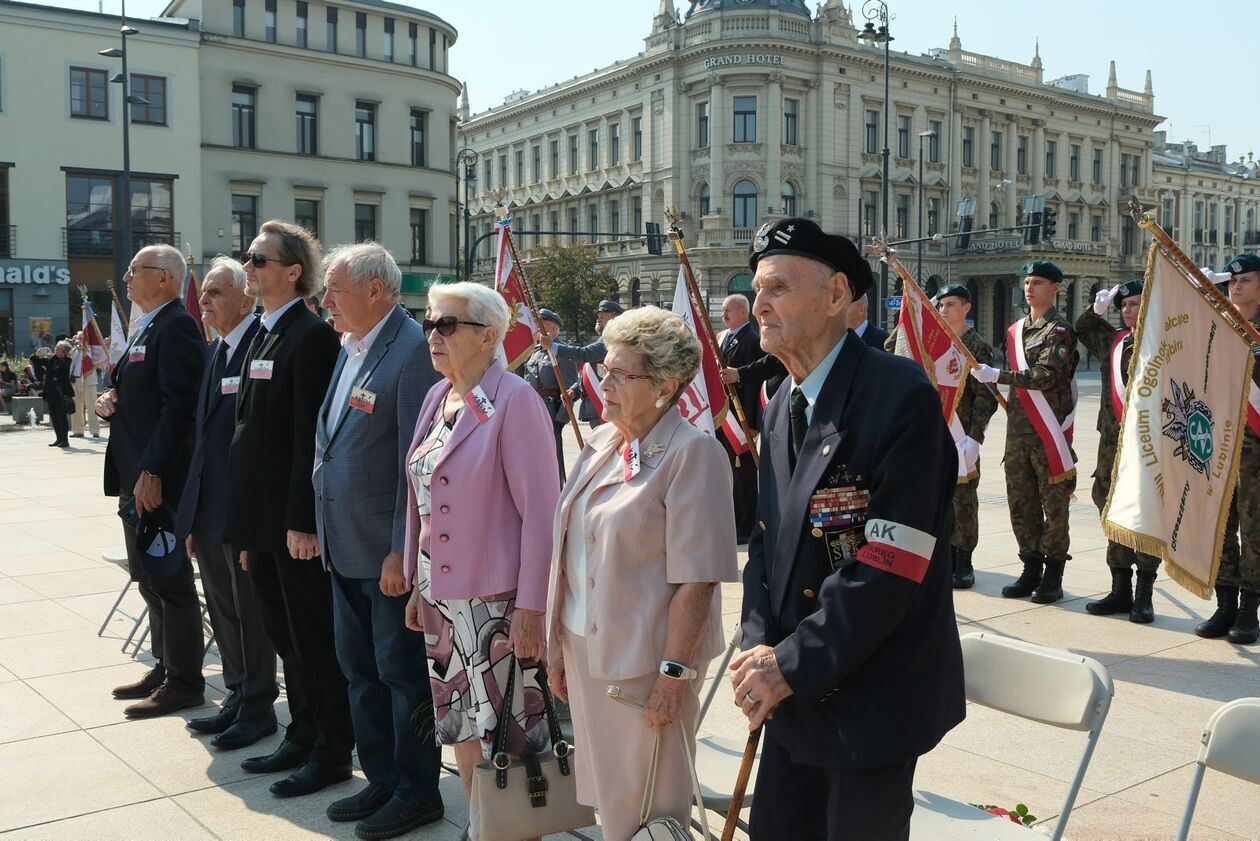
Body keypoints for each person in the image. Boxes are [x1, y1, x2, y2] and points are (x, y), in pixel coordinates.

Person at [732, 218, 964, 841]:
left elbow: (891, 563)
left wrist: (790, 663)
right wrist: (760, 647)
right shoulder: (781, 397)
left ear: (836, 295)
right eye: (757, 290)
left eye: (777, 287)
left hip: (870, 699)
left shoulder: (898, 394)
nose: (759, 306)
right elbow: (767, 543)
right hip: (792, 686)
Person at [545, 306, 738, 838]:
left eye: (618, 374)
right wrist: (559, 645)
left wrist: (674, 675)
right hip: (588, 652)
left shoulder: (693, 454)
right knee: (612, 801)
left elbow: (698, 580)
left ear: (664, 385)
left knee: (652, 806)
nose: (600, 383)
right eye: (605, 369)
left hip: (645, 667)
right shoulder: (605, 445)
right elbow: (571, 552)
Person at [401, 282, 560, 830]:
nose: (432, 335)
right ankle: (481, 826)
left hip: (497, 607)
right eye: (429, 323)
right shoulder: (436, 396)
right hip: (444, 602)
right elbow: (418, 500)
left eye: (446, 325)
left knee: (507, 739)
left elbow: (544, 514)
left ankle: (510, 830)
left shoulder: (516, 400)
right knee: (461, 730)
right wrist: (415, 583)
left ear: (487, 336)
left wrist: (533, 607)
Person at [314, 243, 446, 838]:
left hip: (385, 553)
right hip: (343, 545)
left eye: (334, 289)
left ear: (374, 290)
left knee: (400, 675)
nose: (326, 301)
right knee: (359, 671)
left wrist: (402, 547)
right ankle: (383, 779)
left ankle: (419, 791)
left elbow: (412, 463)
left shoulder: (412, 350)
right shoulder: (350, 346)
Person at [226, 220, 350, 797]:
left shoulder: (310, 335)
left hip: (294, 525)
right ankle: (301, 734)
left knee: (311, 639)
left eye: (259, 259)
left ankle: (330, 749)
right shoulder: (261, 331)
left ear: (293, 271)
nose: (248, 268)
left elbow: (311, 439)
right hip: (264, 521)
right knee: (283, 634)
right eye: (248, 259)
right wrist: (250, 528)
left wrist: (302, 519)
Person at [96, 244, 207, 717]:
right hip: (134, 476)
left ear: (163, 278)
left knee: (170, 579)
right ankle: (165, 665)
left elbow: (179, 407)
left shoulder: (177, 325)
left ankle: (185, 681)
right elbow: (143, 393)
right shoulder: (150, 325)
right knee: (147, 577)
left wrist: (154, 470)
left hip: (156, 480)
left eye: (134, 270)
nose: (126, 278)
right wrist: (111, 397)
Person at [176, 256, 278, 751]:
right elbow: (203, 440)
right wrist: (192, 513)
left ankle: (258, 705)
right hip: (209, 508)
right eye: (206, 293)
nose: (206, 301)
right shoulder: (216, 350)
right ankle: (237, 694)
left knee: (249, 612)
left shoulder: (258, 347)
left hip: (241, 511)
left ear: (246, 298)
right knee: (221, 608)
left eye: (216, 292)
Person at [971, 260, 1079, 604]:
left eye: (1038, 283)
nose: (1030, 288)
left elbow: (1046, 374)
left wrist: (998, 375)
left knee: (1054, 508)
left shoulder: (1059, 331)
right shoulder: (1017, 329)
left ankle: (1053, 576)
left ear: (1056, 288)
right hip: (1018, 434)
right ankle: (1030, 568)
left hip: (1048, 434)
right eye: (1028, 282)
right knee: (1021, 505)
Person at [1076, 280, 1162, 623]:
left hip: (1148, 447)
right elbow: (1083, 328)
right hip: (1111, 448)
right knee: (1112, 513)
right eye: (1123, 306)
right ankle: (1119, 589)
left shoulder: (1165, 344)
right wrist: (1097, 308)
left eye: (1136, 304)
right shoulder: (1114, 343)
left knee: (1146, 515)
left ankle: (1144, 595)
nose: (1128, 311)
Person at [1195, 255, 1260, 645]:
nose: (1236, 286)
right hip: (1216, 439)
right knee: (1219, 526)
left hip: (1255, 444)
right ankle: (1225, 604)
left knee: (1253, 529)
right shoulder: (1216, 322)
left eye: (1246, 280)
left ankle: (1249, 610)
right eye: (1232, 280)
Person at [936, 285, 998, 588]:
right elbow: (895, 345)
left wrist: (975, 438)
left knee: (963, 502)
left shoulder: (976, 346)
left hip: (962, 437)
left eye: (950, 305)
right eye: (940, 305)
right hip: (935, 436)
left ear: (966, 308)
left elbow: (985, 397)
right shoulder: (934, 342)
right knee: (939, 501)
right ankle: (943, 556)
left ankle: (964, 560)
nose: (943, 310)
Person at [716, 294, 763, 543]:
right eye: (723, 310)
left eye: (728, 310)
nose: (724, 314)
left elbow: (757, 383)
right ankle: (734, 521)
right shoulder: (724, 339)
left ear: (744, 312)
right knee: (728, 475)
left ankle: (746, 525)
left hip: (741, 419)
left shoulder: (752, 340)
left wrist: (754, 422)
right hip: (725, 418)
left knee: (743, 476)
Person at [522, 308, 579, 483]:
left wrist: (560, 418)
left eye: (541, 325)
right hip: (531, 409)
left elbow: (571, 385)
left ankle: (557, 488)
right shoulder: (534, 351)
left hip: (549, 410)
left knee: (552, 453)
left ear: (553, 329)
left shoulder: (562, 351)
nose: (537, 329)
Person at [555, 298, 624, 427]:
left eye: (603, 317)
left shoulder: (612, 340)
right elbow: (591, 369)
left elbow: (584, 354)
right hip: (595, 403)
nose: (598, 319)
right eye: (598, 317)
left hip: (603, 402)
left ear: (615, 318)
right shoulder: (603, 339)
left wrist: (554, 347)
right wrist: (575, 390)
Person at [71, 330, 102, 438]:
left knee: (92, 405)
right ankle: (78, 430)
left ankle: (95, 429)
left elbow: (99, 361)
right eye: (78, 338)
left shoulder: (91, 350)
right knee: (76, 406)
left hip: (89, 379)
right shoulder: (73, 351)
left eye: (82, 338)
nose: (80, 340)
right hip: (76, 380)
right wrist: (76, 349)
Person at [42, 340, 74, 448]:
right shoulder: (52, 360)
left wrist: (54, 356)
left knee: (62, 416)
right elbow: (36, 361)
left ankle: (65, 440)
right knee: (54, 416)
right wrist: (37, 354)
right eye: (56, 348)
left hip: (61, 392)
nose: (56, 349)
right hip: (51, 391)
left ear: (64, 351)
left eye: (58, 348)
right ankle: (58, 438)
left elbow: (64, 368)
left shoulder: (67, 360)